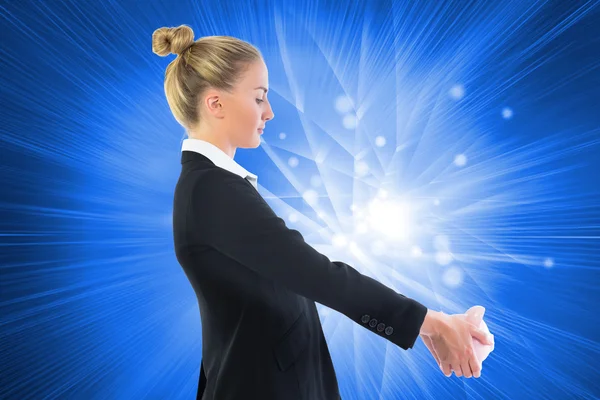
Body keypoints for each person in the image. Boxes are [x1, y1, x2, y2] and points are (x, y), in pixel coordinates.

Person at [152, 24, 495, 400]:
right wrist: (431, 323)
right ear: (215, 104)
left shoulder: (215, 185)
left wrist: (430, 326)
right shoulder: (212, 190)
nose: (269, 112)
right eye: (259, 98)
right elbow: (317, 274)